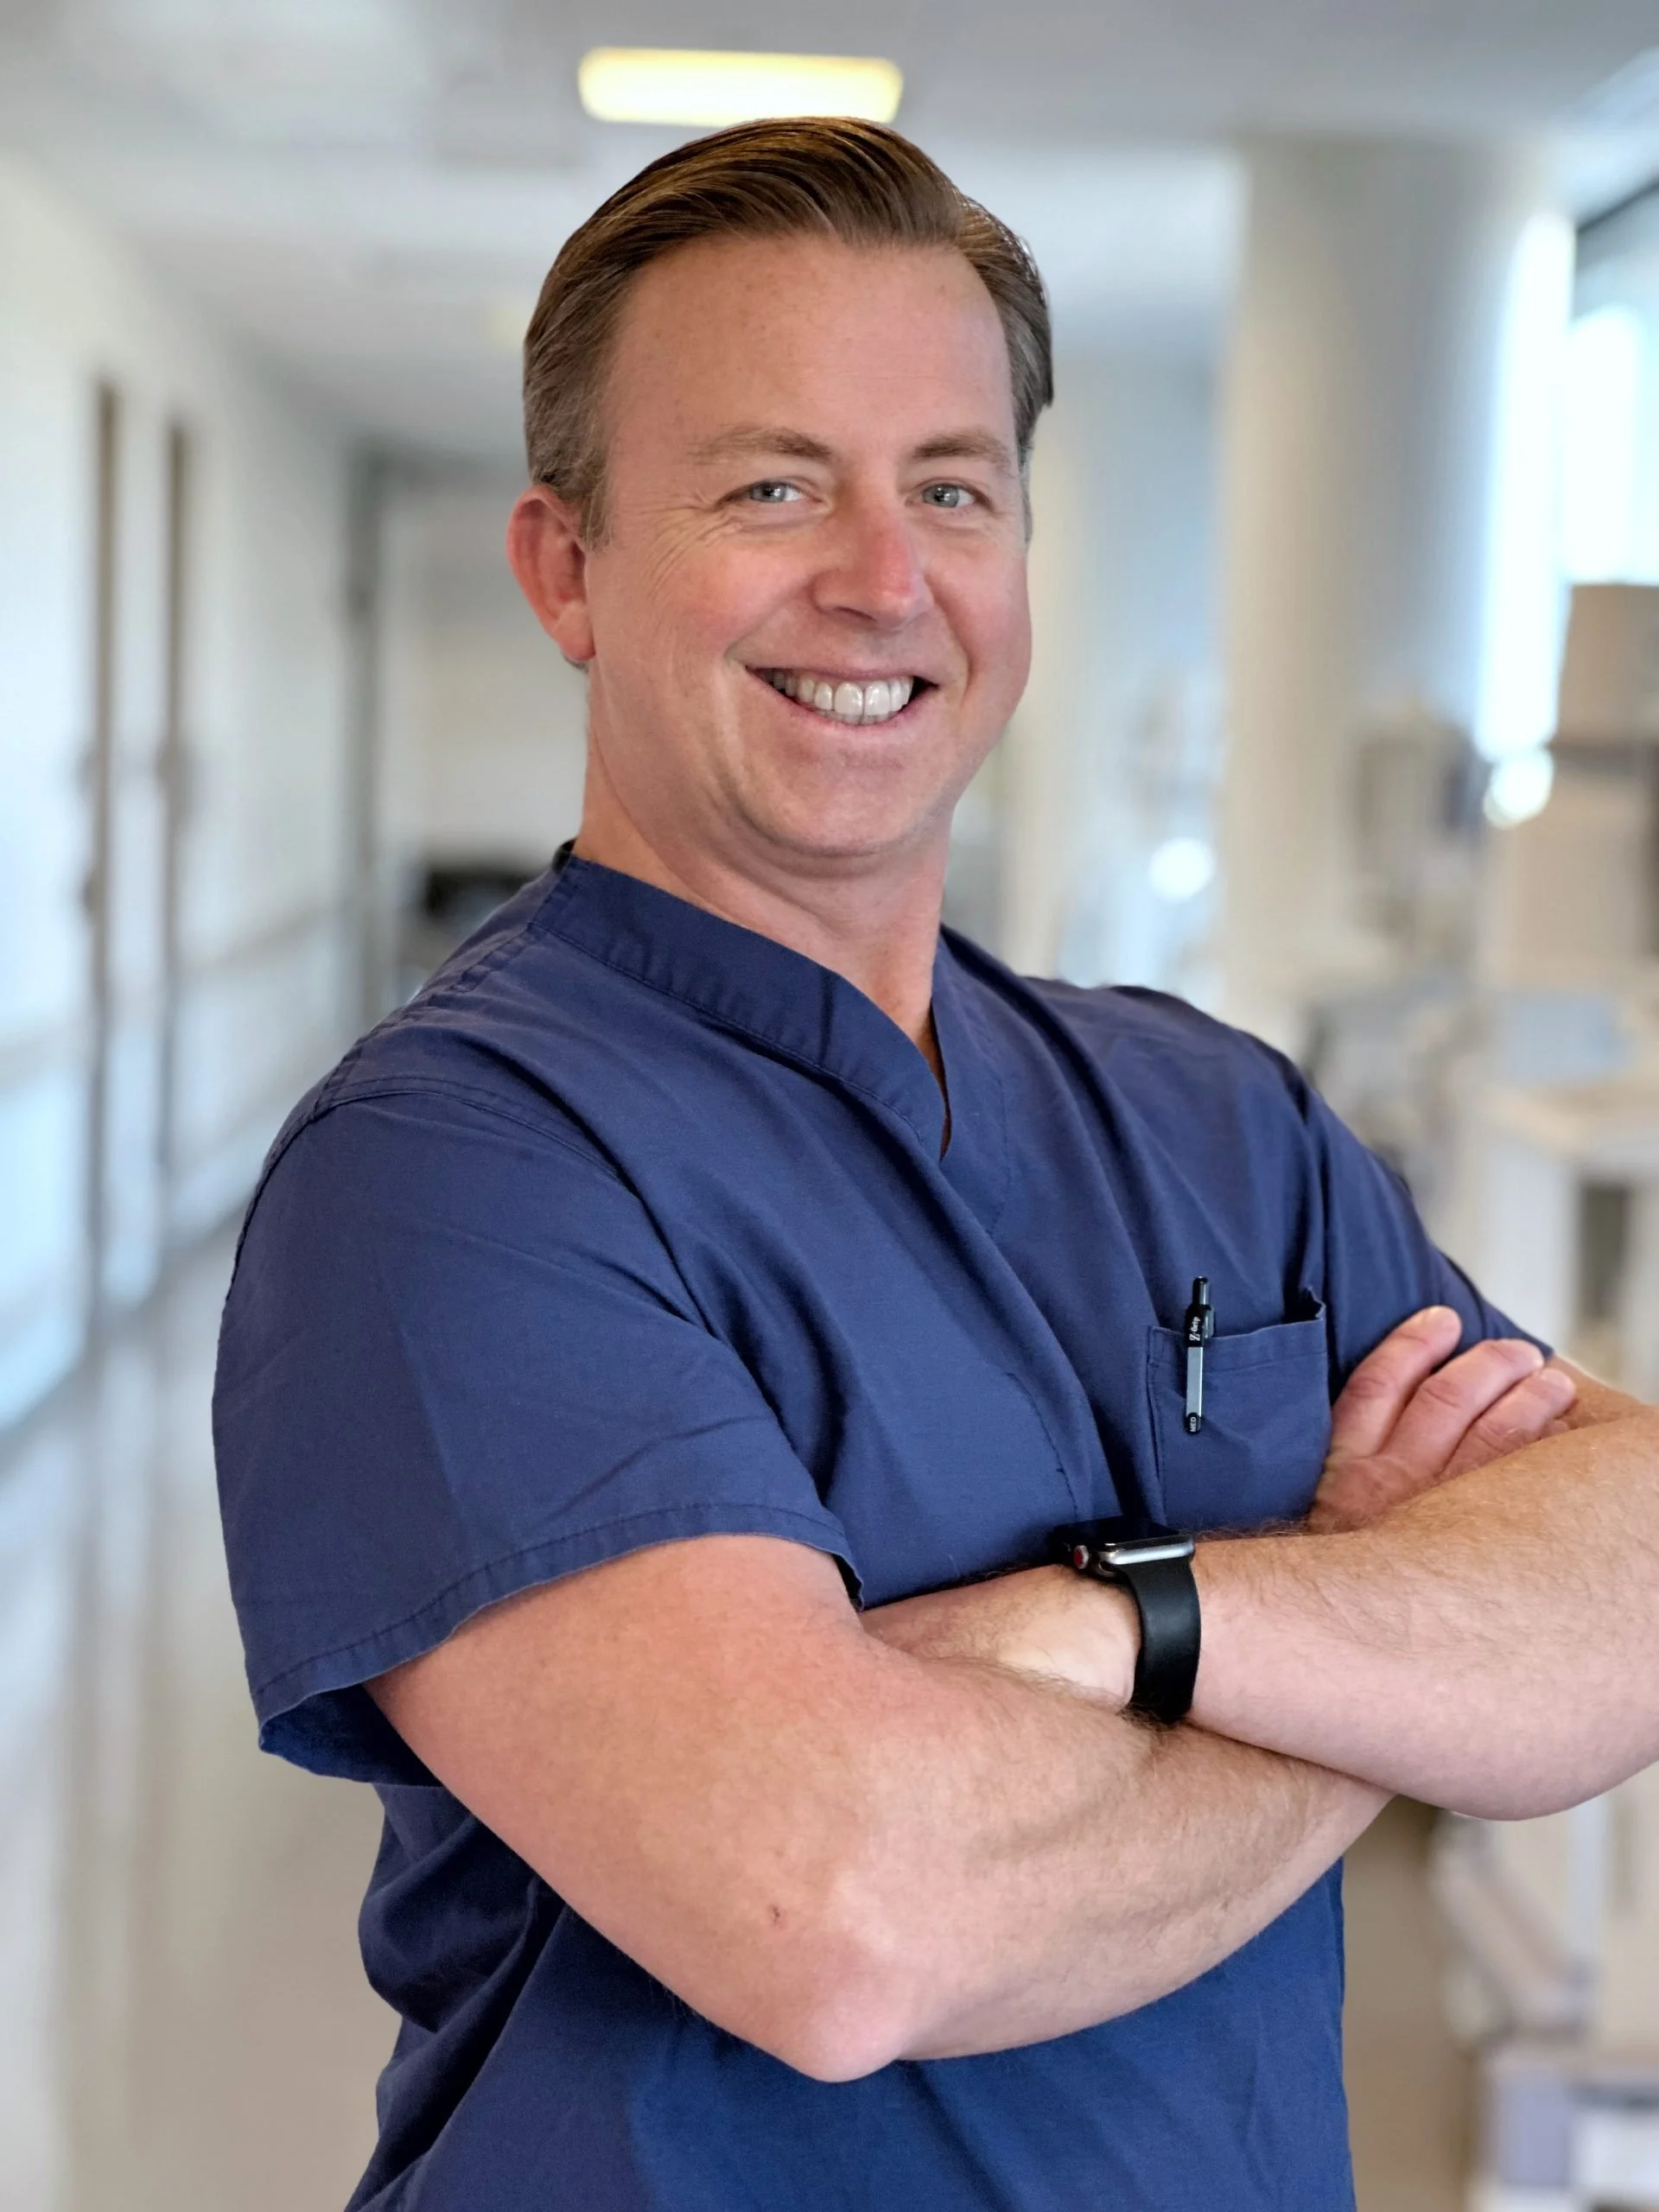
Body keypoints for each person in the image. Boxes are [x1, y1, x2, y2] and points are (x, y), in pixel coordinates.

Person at [213, 118, 1659, 2212]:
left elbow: (1629, 1574)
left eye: (953, 489)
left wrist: (1117, 1631)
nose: (882, 579)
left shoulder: (1217, 1116)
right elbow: (842, 1911)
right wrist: (1393, 1662)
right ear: (568, 568)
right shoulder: (448, 1176)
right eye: (773, 484)